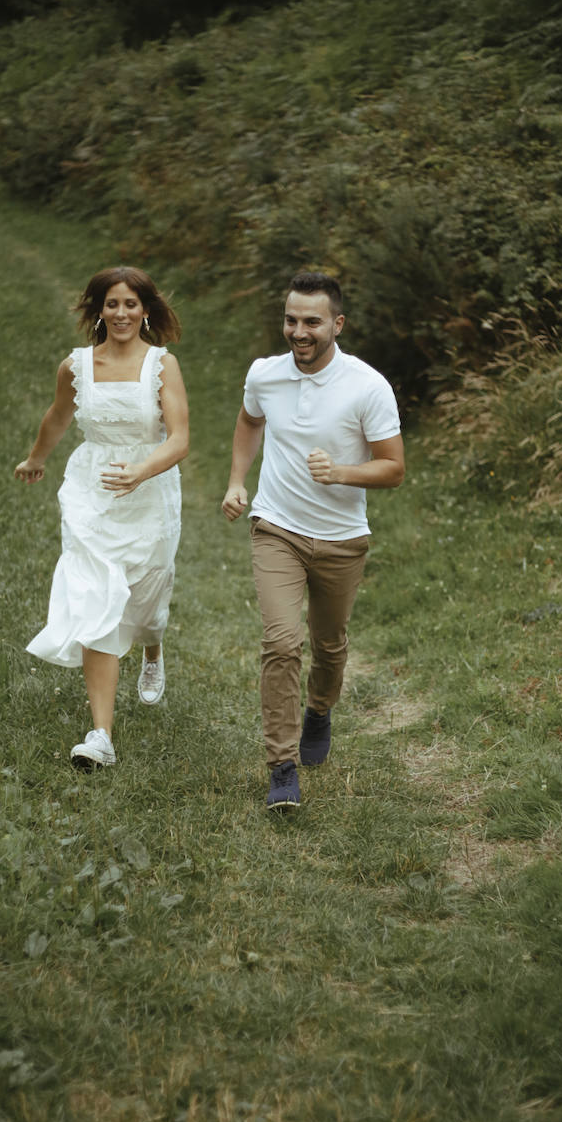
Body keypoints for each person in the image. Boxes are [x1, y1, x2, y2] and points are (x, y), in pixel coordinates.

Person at [221, 271, 404, 809]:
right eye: (291, 320)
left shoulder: (367, 387)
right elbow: (249, 421)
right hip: (276, 527)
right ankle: (282, 765)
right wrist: (237, 480)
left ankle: (319, 710)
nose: (298, 332)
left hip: (343, 538)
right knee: (282, 643)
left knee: (329, 645)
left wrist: (342, 473)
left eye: (311, 322)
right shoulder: (265, 374)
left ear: (337, 324)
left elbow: (393, 469)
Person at [15, 266, 189, 770]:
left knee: (146, 601)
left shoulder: (162, 365)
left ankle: (153, 650)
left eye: (131, 304)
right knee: (96, 596)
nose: (121, 313)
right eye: (111, 304)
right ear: (98, 310)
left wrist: (140, 471)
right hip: (91, 489)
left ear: (146, 310)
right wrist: (37, 458)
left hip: (150, 488)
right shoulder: (76, 366)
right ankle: (100, 736)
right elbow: (58, 416)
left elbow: (178, 438)